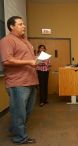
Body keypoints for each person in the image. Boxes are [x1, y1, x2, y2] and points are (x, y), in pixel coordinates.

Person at [0, 16, 38, 144]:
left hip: (31, 80)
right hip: (18, 83)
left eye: (23, 24)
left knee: (27, 111)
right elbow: (7, 60)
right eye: (20, 24)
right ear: (11, 26)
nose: (24, 26)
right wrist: (29, 61)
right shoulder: (7, 40)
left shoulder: (24, 40)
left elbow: (25, 57)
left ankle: (15, 129)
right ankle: (19, 137)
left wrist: (36, 59)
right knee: (19, 112)